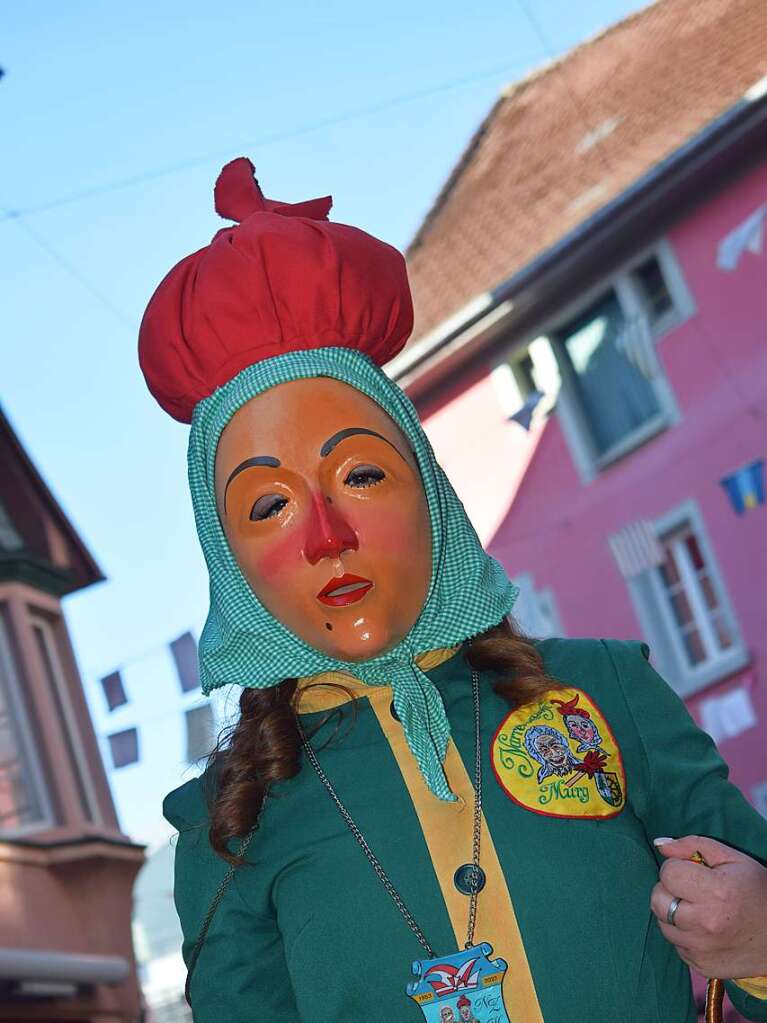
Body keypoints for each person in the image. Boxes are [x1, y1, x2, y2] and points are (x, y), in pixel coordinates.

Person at [141, 158, 767, 1022]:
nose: (327, 535)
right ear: (229, 562)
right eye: (270, 504)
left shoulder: (607, 690)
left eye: (360, 474)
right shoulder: (224, 820)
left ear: (428, 491)